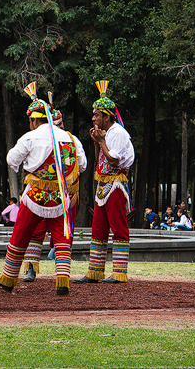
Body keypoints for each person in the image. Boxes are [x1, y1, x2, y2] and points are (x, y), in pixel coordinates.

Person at [0, 83, 87, 295]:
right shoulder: (71, 138)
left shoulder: (30, 136)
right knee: (62, 238)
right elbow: (83, 164)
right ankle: (62, 281)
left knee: (21, 233)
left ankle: (8, 278)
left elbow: (11, 159)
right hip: (61, 197)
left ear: (34, 120)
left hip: (34, 196)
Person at [74, 80, 134, 284]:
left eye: (96, 115)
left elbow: (114, 159)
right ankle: (95, 271)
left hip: (116, 184)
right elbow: (100, 159)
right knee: (98, 227)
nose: (93, 118)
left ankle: (119, 272)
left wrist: (100, 141)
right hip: (103, 184)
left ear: (106, 117)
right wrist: (96, 143)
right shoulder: (106, 133)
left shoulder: (117, 133)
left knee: (118, 226)